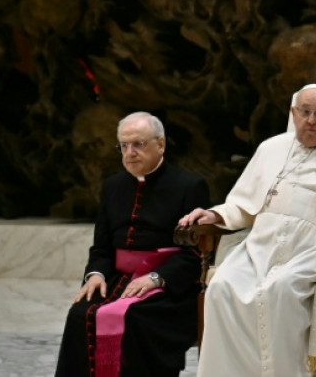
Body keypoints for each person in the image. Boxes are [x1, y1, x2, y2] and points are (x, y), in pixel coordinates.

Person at [178, 83, 316, 376]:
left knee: (281, 290)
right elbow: (242, 205)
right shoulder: (270, 149)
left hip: (315, 246)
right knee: (221, 287)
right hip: (261, 244)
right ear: (294, 114)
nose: (311, 120)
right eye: (305, 112)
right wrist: (212, 215)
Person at [55, 111, 210, 377]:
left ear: (160, 144)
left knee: (137, 317)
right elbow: (101, 247)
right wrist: (96, 274)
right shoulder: (112, 187)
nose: (130, 152)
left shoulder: (189, 186)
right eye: (124, 146)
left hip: (170, 284)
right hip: (118, 278)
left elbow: (194, 252)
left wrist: (156, 278)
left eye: (138, 144)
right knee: (80, 315)